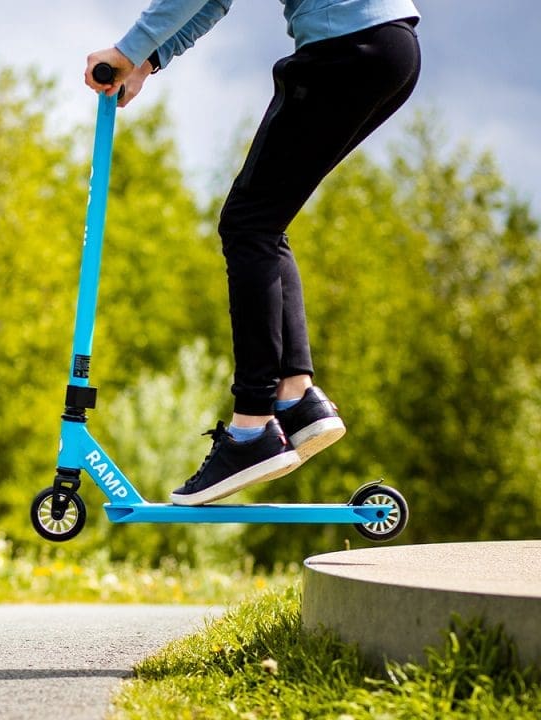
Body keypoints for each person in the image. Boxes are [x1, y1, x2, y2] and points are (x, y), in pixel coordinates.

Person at [84, 0, 421, 506]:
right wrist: (149, 59)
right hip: (389, 46)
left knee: (248, 224)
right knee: (261, 222)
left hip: (345, 49)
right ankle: (297, 398)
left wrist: (127, 50)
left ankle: (252, 428)